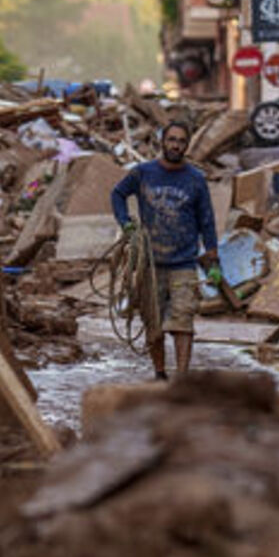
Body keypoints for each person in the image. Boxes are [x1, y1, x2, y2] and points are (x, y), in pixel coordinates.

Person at [111, 120, 222, 381]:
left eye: (181, 141)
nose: (175, 146)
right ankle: (160, 373)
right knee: (153, 326)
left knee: (183, 322)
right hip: (151, 263)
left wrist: (213, 258)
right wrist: (126, 223)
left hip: (184, 263)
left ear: (187, 146)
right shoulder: (143, 173)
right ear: (162, 141)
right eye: (171, 140)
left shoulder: (196, 179)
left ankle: (181, 378)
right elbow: (117, 194)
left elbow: (207, 220)